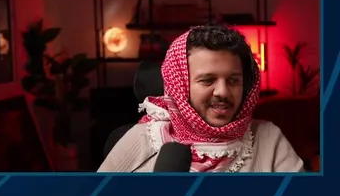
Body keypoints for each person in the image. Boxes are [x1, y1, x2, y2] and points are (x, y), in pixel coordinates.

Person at [98, 25, 303, 172]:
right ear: (180, 86)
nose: (222, 92)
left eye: (233, 80)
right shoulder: (142, 138)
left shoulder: (269, 138)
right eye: (207, 80)